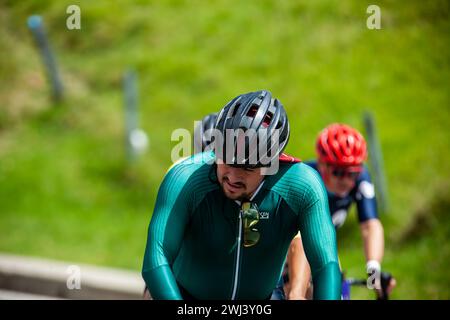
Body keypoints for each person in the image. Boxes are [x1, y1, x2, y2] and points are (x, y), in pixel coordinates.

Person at [142, 90, 341, 300]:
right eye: (227, 160)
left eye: (248, 168)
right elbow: (157, 258)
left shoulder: (302, 186)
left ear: (272, 163)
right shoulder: (185, 178)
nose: (233, 176)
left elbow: (325, 265)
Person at [281, 123, 396, 299]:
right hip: (289, 247)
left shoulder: (361, 178)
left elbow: (370, 226)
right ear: (322, 165)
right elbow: (298, 240)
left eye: (352, 173)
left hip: (322, 246)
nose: (347, 180)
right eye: (339, 172)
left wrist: (374, 271)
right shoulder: (306, 178)